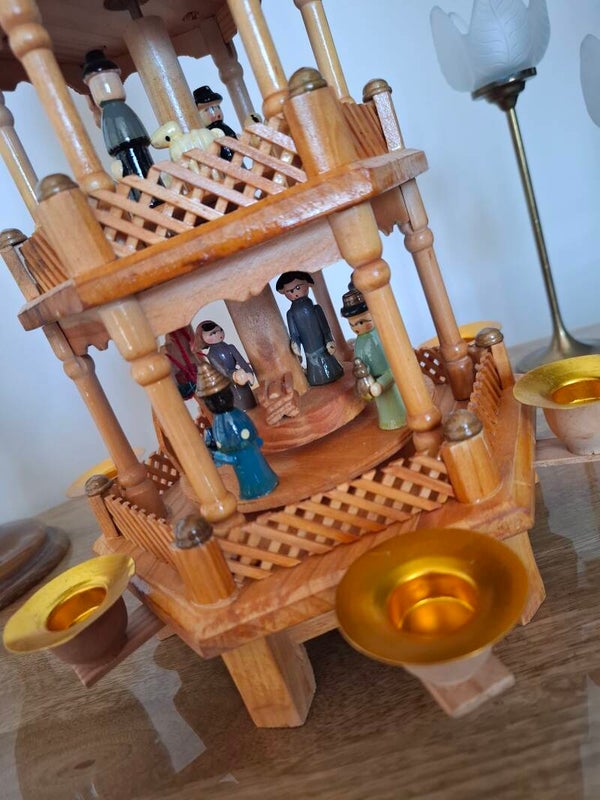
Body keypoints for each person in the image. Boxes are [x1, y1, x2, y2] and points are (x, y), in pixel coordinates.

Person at [196, 362, 278, 501]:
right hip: (242, 457)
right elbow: (227, 446)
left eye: (223, 395)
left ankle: (262, 485)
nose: (221, 401)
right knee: (250, 472)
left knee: (257, 468)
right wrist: (222, 455)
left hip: (249, 452)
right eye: (213, 400)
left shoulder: (235, 415)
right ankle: (256, 487)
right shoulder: (220, 421)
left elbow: (249, 434)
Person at [340, 288, 406, 430]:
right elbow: (360, 362)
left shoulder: (378, 335)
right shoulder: (360, 341)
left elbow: (391, 359)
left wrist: (382, 381)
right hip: (373, 379)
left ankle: (401, 417)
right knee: (383, 403)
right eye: (352, 324)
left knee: (394, 398)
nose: (357, 328)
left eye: (362, 322)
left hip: (387, 374)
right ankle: (389, 420)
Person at [276, 271, 344, 386]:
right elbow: (294, 333)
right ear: (283, 292)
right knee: (313, 362)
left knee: (327, 358)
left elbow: (325, 327)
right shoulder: (291, 314)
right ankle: (316, 376)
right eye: (289, 291)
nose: (294, 293)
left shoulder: (316, 308)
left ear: (308, 284)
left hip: (322, 345)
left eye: (298, 288)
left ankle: (333, 371)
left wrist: (329, 339)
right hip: (309, 349)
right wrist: (295, 344)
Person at [194, 320, 256, 410]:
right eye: (213, 333)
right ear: (202, 339)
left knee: (249, 398)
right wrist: (234, 376)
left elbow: (242, 362)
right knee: (238, 401)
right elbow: (222, 371)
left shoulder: (230, 347)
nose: (219, 333)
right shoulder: (212, 355)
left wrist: (249, 372)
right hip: (230, 381)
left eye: (220, 330)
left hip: (241, 375)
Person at [193, 85, 237, 161]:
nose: (217, 113)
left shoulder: (223, 126)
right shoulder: (208, 133)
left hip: (235, 154)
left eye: (218, 107)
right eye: (209, 110)